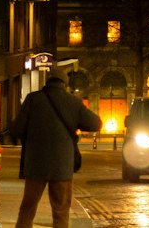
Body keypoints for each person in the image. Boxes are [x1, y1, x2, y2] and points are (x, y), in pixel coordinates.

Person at [11, 72, 101, 228]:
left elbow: (17, 129)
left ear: (47, 81)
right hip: (62, 165)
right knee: (61, 212)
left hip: (35, 163)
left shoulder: (33, 99)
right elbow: (95, 124)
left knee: (27, 208)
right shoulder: (73, 102)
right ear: (64, 84)